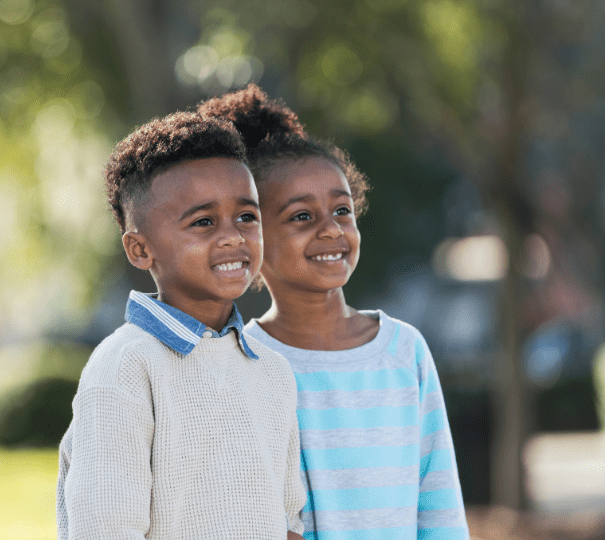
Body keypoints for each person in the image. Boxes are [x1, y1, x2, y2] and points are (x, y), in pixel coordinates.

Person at [199, 85, 470, 540]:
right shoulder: (237, 361)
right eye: (301, 217)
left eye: (342, 210)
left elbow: (438, 502)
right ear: (254, 239)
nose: (331, 229)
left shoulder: (405, 352)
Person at [56, 111, 306, 540]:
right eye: (203, 222)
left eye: (247, 217)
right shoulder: (126, 366)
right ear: (140, 249)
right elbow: (105, 528)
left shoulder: (273, 370)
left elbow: (287, 522)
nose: (232, 236)